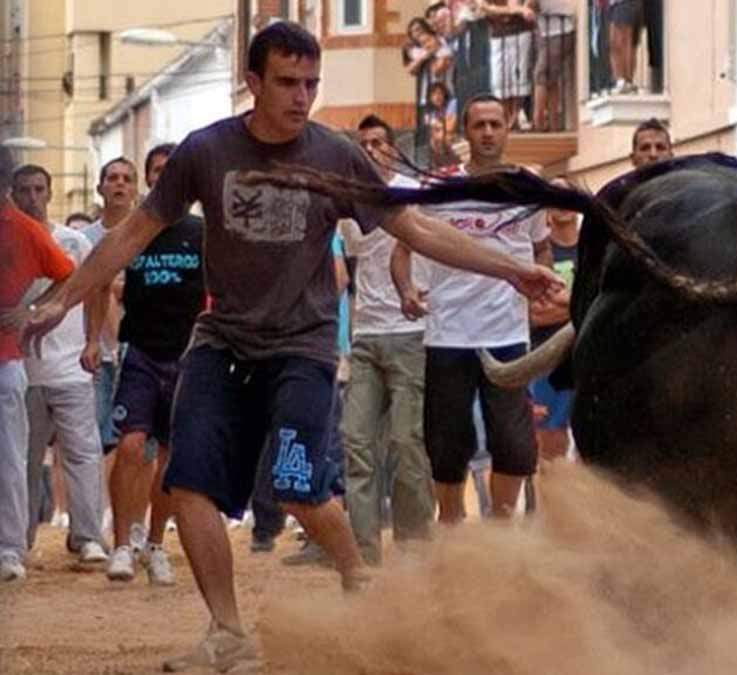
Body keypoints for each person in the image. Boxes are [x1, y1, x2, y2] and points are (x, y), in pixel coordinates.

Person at [15, 22, 559, 671]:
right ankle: (227, 631)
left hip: (301, 346)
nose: (301, 96)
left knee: (298, 484)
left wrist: (510, 268)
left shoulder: (336, 156)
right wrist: (63, 297)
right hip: (222, 342)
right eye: (287, 82)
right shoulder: (206, 151)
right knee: (189, 481)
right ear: (253, 82)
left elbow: (415, 227)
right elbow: (131, 234)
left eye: (310, 83)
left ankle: (362, 585)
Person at [394, 94, 550, 524]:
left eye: (495, 124)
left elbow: (541, 247)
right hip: (449, 333)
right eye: (479, 125)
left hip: (508, 333)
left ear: (507, 130)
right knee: (446, 445)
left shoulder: (527, 186)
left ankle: (500, 528)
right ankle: (450, 523)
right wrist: (407, 291)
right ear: (466, 131)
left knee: (515, 445)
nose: (487, 133)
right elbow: (402, 247)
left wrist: (543, 287)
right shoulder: (438, 187)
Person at [103, 143, 206, 586]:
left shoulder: (202, 232)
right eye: (158, 171)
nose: (165, 177)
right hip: (140, 352)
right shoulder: (133, 229)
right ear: (149, 178)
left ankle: (156, 545)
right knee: (130, 446)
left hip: (186, 355)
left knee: (170, 458)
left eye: (172, 170)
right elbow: (100, 280)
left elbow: (222, 290)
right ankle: (122, 545)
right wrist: (95, 339)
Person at [338, 114, 434, 565]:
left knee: (406, 443)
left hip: (412, 332)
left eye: (379, 142)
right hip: (366, 334)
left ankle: (414, 550)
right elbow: (353, 267)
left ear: (394, 149)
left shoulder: (414, 195)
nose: (372, 150)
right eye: (365, 144)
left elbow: (415, 248)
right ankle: (364, 554)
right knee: (356, 443)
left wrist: (415, 294)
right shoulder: (351, 205)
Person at [11, 164, 108, 566]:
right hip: (23, 368)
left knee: (83, 451)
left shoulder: (73, 242)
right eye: (24, 190)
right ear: (12, 195)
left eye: (39, 189)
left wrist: (92, 340)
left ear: (50, 193)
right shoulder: (8, 241)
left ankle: (87, 536)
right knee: (23, 459)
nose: (33, 197)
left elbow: (98, 287)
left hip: (70, 365)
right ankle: (19, 537)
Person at [0, 145, 77, 583]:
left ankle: (10, 547)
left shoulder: (23, 230)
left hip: (7, 360)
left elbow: (68, 274)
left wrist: (32, 313)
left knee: (11, 458)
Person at [81, 158, 138, 459]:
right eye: (113, 178)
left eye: (127, 179)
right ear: (100, 188)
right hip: (93, 354)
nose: (119, 183)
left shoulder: (147, 236)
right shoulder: (84, 240)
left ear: (135, 189)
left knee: (135, 441)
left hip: (138, 352)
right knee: (92, 440)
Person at [528, 177, 578, 460]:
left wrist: (561, 303)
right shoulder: (538, 253)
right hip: (548, 359)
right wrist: (585, 303)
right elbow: (534, 312)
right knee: (549, 447)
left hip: (588, 356)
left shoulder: (595, 247)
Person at [478, 0, 538, 129]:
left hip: (521, 31)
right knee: (499, 78)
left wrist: (519, 8)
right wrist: (517, 10)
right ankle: (506, 114)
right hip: (498, 35)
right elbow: (485, 8)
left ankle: (515, 115)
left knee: (520, 74)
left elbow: (528, 4)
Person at [532, 0, 575, 131]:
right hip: (550, 31)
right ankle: (553, 123)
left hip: (559, 30)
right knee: (550, 78)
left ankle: (538, 121)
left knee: (541, 74)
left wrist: (519, 9)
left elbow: (530, 4)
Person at [606, 0, 643, 94]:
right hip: (618, 4)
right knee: (623, 41)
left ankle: (624, 81)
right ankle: (625, 82)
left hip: (623, 3)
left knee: (620, 41)